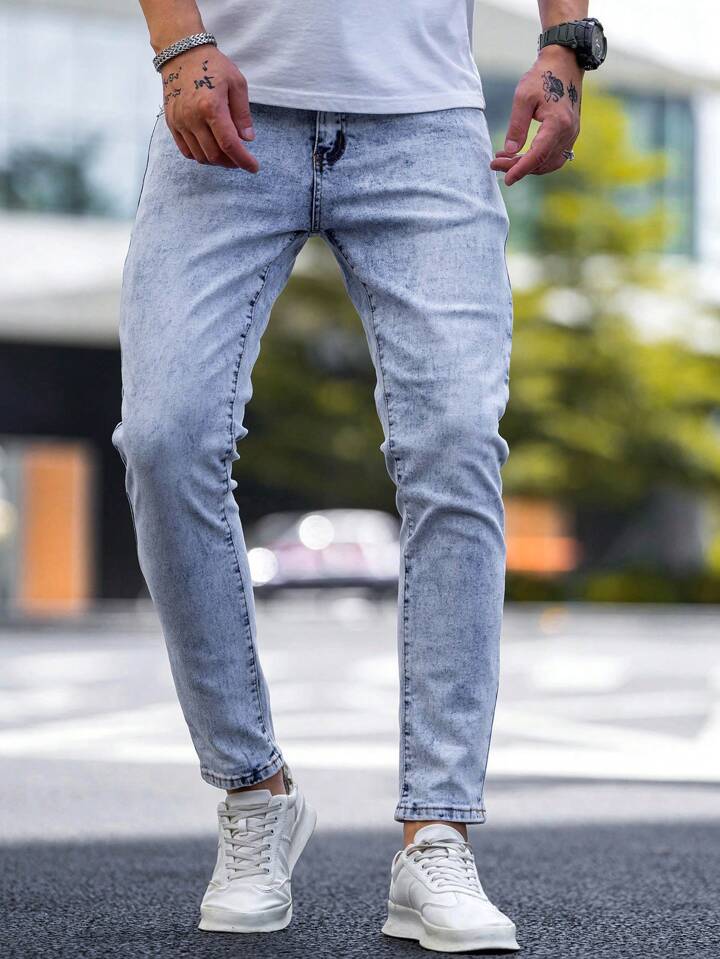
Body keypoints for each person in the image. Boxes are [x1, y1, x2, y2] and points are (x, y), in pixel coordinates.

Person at [113, 0, 605, 951]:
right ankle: (254, 791)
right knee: (165, 438)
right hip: (223, 99)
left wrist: (565, 46)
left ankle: (438, 833)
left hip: (425, 121)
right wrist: (178, 44)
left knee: (456, 443)